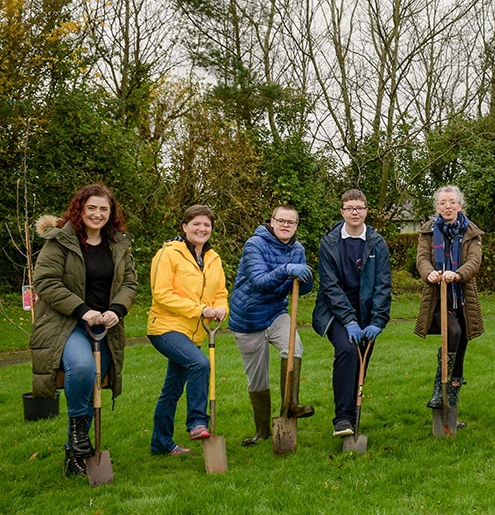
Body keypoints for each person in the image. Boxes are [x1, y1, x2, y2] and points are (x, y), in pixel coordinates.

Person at [31, 184, 138, 477]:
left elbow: (129, 283)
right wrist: (82, 310)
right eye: (91, 207)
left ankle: (74, 454)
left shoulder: (118, 244)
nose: (97, 214)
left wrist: (116, 310)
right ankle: (80, 439)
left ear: (110, 213)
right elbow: (47, 281)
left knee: (93, 382)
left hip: (104, 325)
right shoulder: (60, 241)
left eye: (104, 209)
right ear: (80, 209)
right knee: (82, 368)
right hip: (65, 323)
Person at [229, 205, 315, 447]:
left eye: (291, 222)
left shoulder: (297, 249)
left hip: (276, 314)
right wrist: (287, 269)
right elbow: (259, 282)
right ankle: (262, 431)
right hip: (248, 319)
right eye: (282, 221)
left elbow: (297, 287)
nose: (286, 225)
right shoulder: (254, 245)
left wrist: (306, 280)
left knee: (294, 347)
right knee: (257, 378)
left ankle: (290, 405)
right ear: (272, 221)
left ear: (296, 226)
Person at [147, 204, 229, 455]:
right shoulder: (168, 254)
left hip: (194, 333)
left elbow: (220, 292)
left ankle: (161, 444)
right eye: (197, 224)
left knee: (171, 390)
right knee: (200, 364)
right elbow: (162, 294)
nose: (202, 229)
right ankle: (197, 421)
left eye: (207, 225)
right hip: (165, 327)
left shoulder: (213, 258)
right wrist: (200, 309)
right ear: (185, 227)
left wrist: (220, 308)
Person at [312, 189, 392, 437]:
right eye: (349, 208)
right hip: (335, 311)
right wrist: (348, 321)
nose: (355, 212)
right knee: (347, 350)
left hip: (367, 313)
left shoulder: (377, 243)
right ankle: (342, 419)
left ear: (366, 210)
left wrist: (377, 320)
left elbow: (383, 284)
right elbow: (330, 286)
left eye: (359, 207)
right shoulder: (330, 243)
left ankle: (353, 418)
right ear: (342, 212)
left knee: (361, 361)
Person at [414, 186, 485, 412]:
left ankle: (451, 404)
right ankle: (438, 388)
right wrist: (429, 273)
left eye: (452, 202)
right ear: (437, 207)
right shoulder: (427, 232)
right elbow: (422, 258)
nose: (447, 206)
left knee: (461, 346)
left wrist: (459, 273)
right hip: (438, 298)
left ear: (459, 206)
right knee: (452, 332)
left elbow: (475, 260)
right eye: (443, 203)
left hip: (462, 298)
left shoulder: (471, 232)